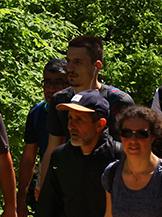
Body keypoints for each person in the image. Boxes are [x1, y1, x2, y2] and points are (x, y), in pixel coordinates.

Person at [38, 35, 135, 193]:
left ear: (96, 66)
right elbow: (51, 150)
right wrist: (45, 195)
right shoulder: (60, 100)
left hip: (111, 189)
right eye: (68, 60)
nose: (70, 68)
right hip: (71, 189)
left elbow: (132, 153)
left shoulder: (118, 101)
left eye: (78, 62)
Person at [16, 58, 70, 217]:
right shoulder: (37, 113)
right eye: (47, 82)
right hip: (47, 182)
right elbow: (28, 158)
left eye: (59, 82)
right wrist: (21, 199)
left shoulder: (81, 113)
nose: (51, 88)